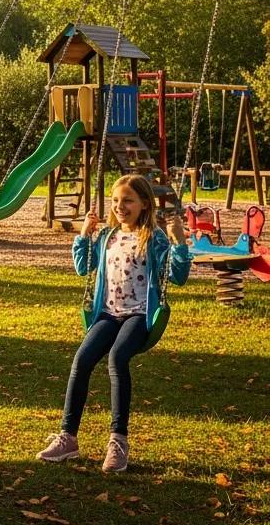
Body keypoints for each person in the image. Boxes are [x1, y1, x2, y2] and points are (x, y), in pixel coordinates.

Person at [37, 174, 190, 473]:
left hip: (139, 315)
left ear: (144, 204)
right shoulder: (107, 236)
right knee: (81, 360)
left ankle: (118, 441)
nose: (121, 206)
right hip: (107, 314)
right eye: (117, 200)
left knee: (117, 358)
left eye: (128, 200)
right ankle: (68, 437)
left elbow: (178, 276)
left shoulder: (154, 237)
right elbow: (84, 268)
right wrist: (83, 234)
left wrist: (180, 241)